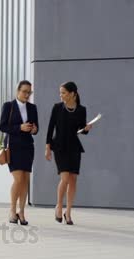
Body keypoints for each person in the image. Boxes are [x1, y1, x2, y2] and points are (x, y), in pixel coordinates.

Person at [45, 81, 93, 225]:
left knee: (73, 180)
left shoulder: (81, 109)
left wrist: (87, 129)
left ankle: (69, 212)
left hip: (74, 147)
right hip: (59, 146)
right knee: (64, 177)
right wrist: (47, 147)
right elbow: (50, 127)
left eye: (63, 92)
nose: (61, 95)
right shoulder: (57, 108)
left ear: (73, 94)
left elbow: (81, 130)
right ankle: (59, 206)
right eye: (60, 93)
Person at [0, 80, 39, 225]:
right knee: (18, 179)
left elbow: (36, 128)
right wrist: (19, 127)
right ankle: (12, 211)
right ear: (18, 91)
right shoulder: (8, 106)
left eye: (29, 92)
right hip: (13, 146)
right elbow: (2, 126)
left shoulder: (33, 108)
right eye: (24, 91)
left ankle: (21, 212)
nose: (27, 95)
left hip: (28, 147)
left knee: (25, 180)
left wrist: (34, 129)